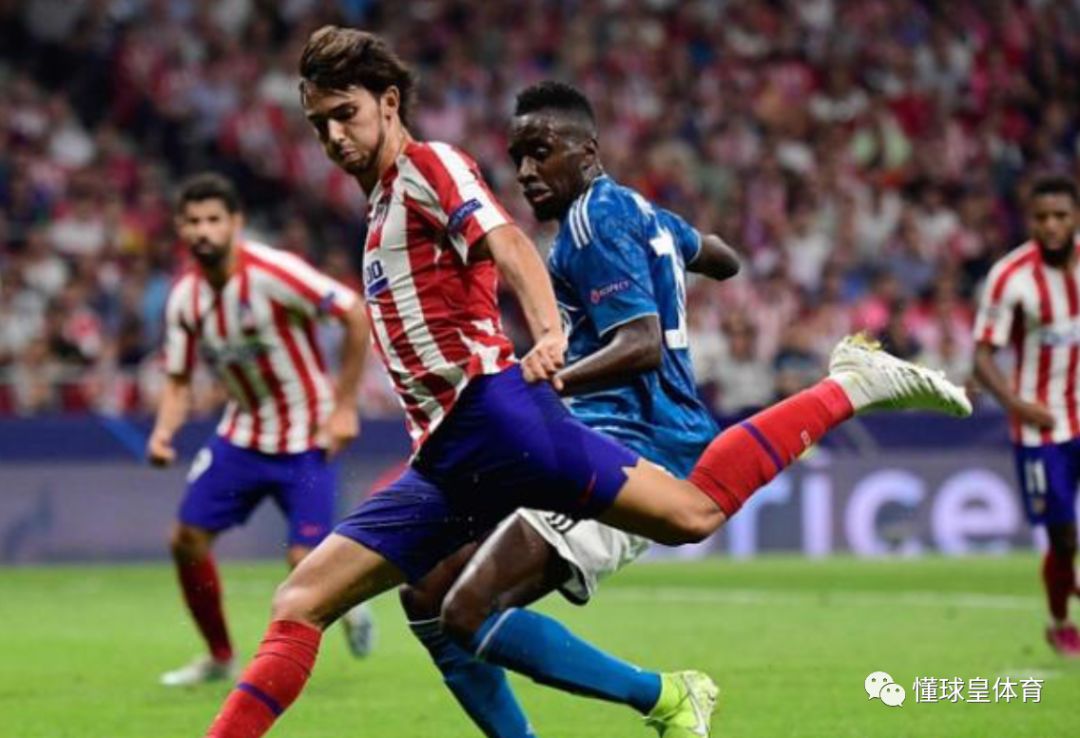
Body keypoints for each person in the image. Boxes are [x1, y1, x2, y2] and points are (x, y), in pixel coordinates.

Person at [202, 27, 970, 738]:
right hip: (446, 453)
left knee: (686, 517)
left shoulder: (432, 167)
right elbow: (718, 256)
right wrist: (683, 249)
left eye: (345, 114)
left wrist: (549, 335)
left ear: (389, 102)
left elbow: (508, 243)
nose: (333, 137)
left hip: (501, 421)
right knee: (326, 600)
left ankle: (848, 387)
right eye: (318, 125)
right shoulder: (386, 209)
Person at [398, 80, 742, 738]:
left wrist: (548, 382)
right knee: (426, 587)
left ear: (587, 152)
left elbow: (639, 343)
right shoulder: (633, 212)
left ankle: (667, 695)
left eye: (541, 151)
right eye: (517, 157)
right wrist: (670, 237)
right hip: (590, 439)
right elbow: (724, 258)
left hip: (630, 444)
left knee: (469, 611)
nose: (526, 171)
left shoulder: (593, 221)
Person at [150, 172, 374, 687]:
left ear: (236, 223)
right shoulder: (185, 299)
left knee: (305, 563)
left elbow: (354, 315)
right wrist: (163, 432)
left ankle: (351, 601)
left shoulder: (275, 272)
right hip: (244, 438)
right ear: (181, 229)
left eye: (213, 219)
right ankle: (219, 657)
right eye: (193, 221)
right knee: (186, 539)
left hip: (307, 438)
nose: (203, 230)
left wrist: (344, 408)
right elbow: (179, 379)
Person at [972, 174, 1080, 657]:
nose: (1051, 225)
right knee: (1063, 537)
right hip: (1041, 428)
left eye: (1061, 216)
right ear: (1030, 221)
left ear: (1075, 218)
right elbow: (982, 357)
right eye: (1042, 217)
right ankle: (1060, 622)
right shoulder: (1010, 276)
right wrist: (1017, 405)